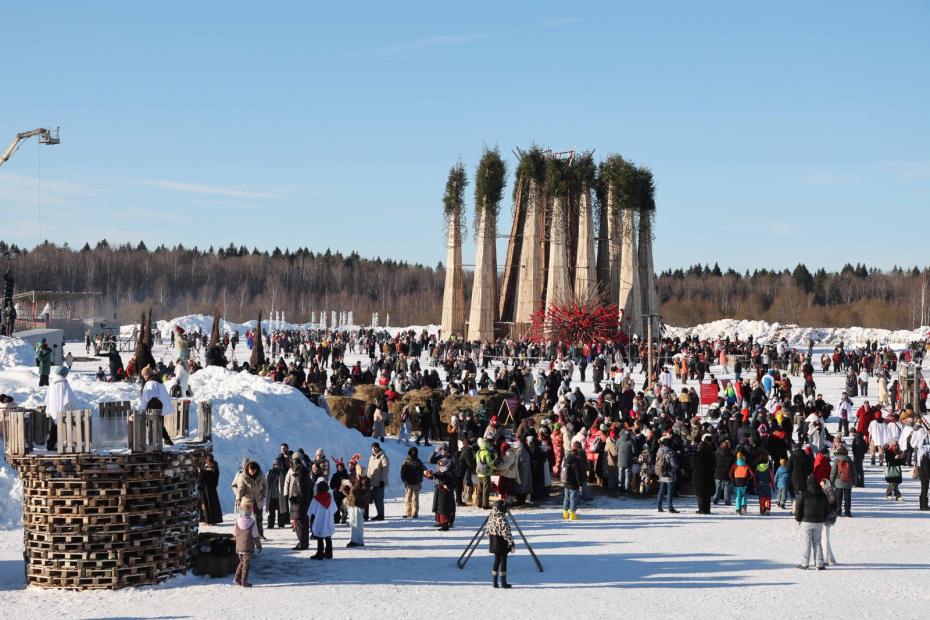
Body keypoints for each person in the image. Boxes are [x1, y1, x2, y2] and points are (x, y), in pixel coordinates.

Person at [795, 474, 829, 570]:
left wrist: (798, 518)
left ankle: (805, 564)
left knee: (806, 542)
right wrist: (823, 519)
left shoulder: (804, 494)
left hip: (806, 521)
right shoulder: (823, 495)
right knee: (817, 542)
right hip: (819, 522)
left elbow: (799, 508)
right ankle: (819, 564)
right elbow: (827, 509)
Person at [44, 366, 76, 451]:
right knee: (61, 427)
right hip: (62, 408)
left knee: (54, 427)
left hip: (53, 409)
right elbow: (69, 398)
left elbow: (48, 398)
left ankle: (51, 444)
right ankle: (54, 445)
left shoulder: (52, 384)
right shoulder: (64, 384)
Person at [285, 453, 312, 550]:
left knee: (300, 526)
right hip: (304, 503)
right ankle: (305, 543)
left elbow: (300, 490)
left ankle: (302, 544)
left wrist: (295, 498)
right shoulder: (305, 472)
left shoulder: (299, 475)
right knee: (304, 524)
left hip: (299, 504)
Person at [487, 500, 515, 589]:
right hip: (502, 543)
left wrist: (491, 539)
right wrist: (511, 543)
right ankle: (503, 582)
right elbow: (506, 532)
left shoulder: (491, 517)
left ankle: (494, 582)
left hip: (494, 542)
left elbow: (487, 531)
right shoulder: (502, 518)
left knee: (496, 561)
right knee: (503, 562)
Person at [233, 500, 262, 587]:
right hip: (248, 548)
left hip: (239, 547)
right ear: (250, 512)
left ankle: (237, 578)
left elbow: (235, 534)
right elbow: (255, 536)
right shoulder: (252, 523)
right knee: (246, 565)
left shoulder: (237, 522)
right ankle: (244, 581)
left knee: (241, 562)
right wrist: (259, 546)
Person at [236, 461, 267, 538]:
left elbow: (265, 485)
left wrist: (263, 496)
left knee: (259, 519)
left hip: (258, 500)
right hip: (247, 500)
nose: (252, 473)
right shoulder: (243, 476)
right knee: (245, 519)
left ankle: (260, 534)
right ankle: (245, 535)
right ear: (248, 470)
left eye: (253, 471)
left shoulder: (261, 474)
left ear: (256, 470)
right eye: (250, 471)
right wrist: (238, 499)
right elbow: (240, 489)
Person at [427, 457, 457, 531]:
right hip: (439, 492)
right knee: (439, 508)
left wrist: (448, 486)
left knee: (445, 509)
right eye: (440, 465)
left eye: (442, 465)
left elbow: (454, 483)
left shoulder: (449, 472)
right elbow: (436, 476)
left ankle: (446, 524)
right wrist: (428, 474)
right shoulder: (440, 471)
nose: (441, 467)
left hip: (446, 493)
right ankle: (441, 522)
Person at [308, 481, 336, 560]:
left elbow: (312, 511)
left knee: (319, 537)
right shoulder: (330, 497)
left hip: (319, 520)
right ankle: (329, 553)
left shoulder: (316, 498)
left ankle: (319, 554)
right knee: (328, 536)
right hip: (328, 520)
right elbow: (334, 509)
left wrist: (312, 521)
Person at [345, 467, 370, 547]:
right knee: (352, 522)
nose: (357, 475)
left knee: (358, 523)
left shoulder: (365, 482)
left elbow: (363, 494)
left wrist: (353, 490)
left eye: (359, 473)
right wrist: (346, 487)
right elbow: (351, 492)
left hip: (359, 504)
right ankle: (353, 539)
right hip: (352, 504)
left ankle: (359, 540)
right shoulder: (356, 481)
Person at [829, 445, 856, 517]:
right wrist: (855, 482)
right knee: (848, 498)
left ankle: (838, 512)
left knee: (838, 498)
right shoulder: (850, 461)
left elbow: (833, 472)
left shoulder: (837, 461)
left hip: (838, 482)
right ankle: (847, 512)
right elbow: (854, 473)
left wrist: (831, 482)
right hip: (848, 482)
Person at [400, 447, 427, 518]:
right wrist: (404, 481)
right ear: (409, 452)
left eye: (415, 452)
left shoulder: (419, 461)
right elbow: (402, 472)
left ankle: (414, 513)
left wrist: (420, 481)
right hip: (408, 483)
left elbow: (421, 472)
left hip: (416, 483)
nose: (413, 453)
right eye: (412, 452)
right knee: (408, 499)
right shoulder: (406, 461)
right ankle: (407, 513)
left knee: (415, 499)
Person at [691, 439, 716, 515]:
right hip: (709, 476)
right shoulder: (711, 455)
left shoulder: (696, 455)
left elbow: (693, 466)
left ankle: (701, 509)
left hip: (698, 476)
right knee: (707, 494)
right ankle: (707, 509)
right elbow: (714, 465)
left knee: (700, 494)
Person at [655, 437, 679, 513]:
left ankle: (659, 506)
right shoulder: (670, 453)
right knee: (670, 491)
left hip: (661, 473)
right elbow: (674, 465)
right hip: (670, 474)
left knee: (661, 490)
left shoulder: (659, 451)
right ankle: (670, 507)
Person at [561, 441, 585, 520]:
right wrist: (580, 485)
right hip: (573, 484)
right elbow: (578, 475)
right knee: (573, 499)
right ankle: (572, 514)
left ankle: (565, 514)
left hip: (566, 483)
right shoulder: (576, 462)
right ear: (577, 454)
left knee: (566, 498)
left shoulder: (566, 460)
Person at [197, 455, 223, 525]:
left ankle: (208, 521)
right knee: (213, 504)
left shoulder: (206, 467)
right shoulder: (215, 466)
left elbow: (202, 479)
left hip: (206, 489)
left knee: (206, 504)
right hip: (212, 489)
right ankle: (213, 520)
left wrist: (200, 472)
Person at [367, 443, 390, 520]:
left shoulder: (383, 457)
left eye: (376, 447)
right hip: (373, 482)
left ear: (378, 448)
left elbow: (386, 469)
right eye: (373, 447)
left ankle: (381, 514)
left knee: (379, 498)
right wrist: (367, 479)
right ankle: (379, 513)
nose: (374, 449)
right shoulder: (371, 458)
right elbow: (369, 470)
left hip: (380, 482)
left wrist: (383, 480)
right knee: (375, 499)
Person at [265, 457, 288, 529]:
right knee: (271, 512)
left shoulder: (283, 472)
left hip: (280, 495)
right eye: (275, 465)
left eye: (277, 464)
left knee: (281, 511)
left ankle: (281, 524)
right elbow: (266, 482)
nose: (276, 466)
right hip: (271, 495)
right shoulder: (270, 472)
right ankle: (270, 524)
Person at [820, 479, 839, 565]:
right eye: (821, 485)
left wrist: (825, 508)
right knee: (825, 538)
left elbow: (833, 502)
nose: (822, 487)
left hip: (827, 518)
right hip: (826, 517)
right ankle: (831, 558)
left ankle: (825, 559)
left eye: (823, 485)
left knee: (825, 538)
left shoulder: (829, 491)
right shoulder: (826, 491)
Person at [730, 451, 752, 516]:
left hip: (736, 482)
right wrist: (747, 479)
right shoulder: (746, 465)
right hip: (744, 481)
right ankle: (744, 506)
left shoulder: (734, 465)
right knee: (744, 495)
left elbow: (730, 474)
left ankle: (738, 510)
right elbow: (751, 474)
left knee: (738, 496)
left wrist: (733, 479)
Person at [475, 438, 494, 509]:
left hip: (479, 472)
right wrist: (491, 470)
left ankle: (478, 503)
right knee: (486, 488)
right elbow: (489, 463)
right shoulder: (487, 452)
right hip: (485, 473)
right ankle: (485, 504)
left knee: (479, 488)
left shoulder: (478, 452)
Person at [917, 444, 930, 511]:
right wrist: (928, 476)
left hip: (922, 474)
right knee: (925, 490)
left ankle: (922, 505)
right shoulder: (925, 456)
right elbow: (926, 467)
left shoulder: (921, 456)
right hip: (925, 475)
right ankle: (924, 506)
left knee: (924, 490)